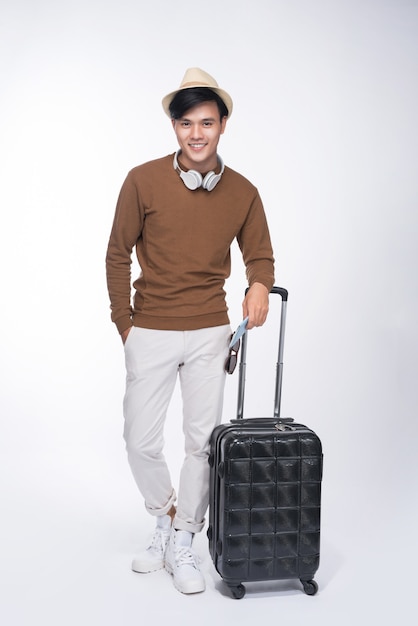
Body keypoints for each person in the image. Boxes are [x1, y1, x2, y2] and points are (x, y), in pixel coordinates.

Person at [105, 67, 275, 595]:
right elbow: (116, 254)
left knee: (201, 444)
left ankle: (184, 538)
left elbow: (260, 255)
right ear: (174, 128)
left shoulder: (243, 191)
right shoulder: (142, 179)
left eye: (206, 122)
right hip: (150, 328)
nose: (196, 134)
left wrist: (260, 286)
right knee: (139, 441)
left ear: (223, 124)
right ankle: (164, 513)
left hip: (209, 331)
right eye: (185, 124)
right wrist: (125, 326)